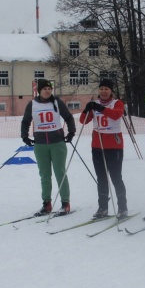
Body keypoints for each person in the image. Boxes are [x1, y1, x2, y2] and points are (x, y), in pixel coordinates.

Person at [21, 78, 76, 216]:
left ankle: (65, 203)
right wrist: (25, 136)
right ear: (39, 91)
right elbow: (26, 121)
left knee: (60, 173)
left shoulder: (57, 102)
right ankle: (47, 204)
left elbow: (68, 117)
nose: (47, 91)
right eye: (44, 89)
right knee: (44, 175)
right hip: (40, 144)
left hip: (57, 143)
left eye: (49, 88)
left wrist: (71, 132)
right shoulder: (32, 104)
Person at [79, 78, 128, 219]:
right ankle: (103, 208)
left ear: (111, 90)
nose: (103, 91)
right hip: (97, 146)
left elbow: (116, 114)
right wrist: (87, 109)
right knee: (101, 178)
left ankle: (123, 208)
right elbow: (83, 121)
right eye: (101, 89)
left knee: (116, 178)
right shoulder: (95, 104)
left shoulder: (117, 103)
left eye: (106, 89)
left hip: (114, 146)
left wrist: (101, 108)